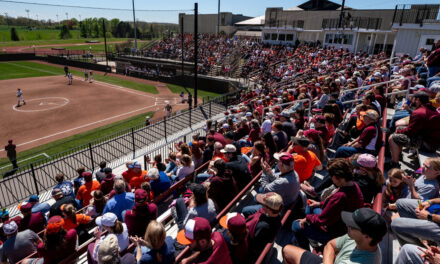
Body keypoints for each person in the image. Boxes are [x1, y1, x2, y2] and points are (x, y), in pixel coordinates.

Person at [292, 158, 364, 250]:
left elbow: (323, 220)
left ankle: (303, 252)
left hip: (336, 235)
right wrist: (320, 204)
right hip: (343, 225)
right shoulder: (353, 185)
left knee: (296, 225)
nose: (331, 179)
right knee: (310, 207)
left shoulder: (340, 197)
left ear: (337, 177)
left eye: (331, 176)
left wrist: (307, 218)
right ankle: (312, 238)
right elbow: (336, 208)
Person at [283, 208, 387, 264]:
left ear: (367, 236)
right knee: (287, 250)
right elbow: (330, 245)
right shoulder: (357, 238)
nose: (347, 225)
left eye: (352, 225)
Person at [388, 91, 440, 168]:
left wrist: (399, 131)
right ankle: (398, 155)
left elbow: (410, 131)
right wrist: (400, 130)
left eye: (413, 98)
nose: (412, 100)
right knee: (399, 128)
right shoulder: (432, 109)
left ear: (418, 100)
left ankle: (394, 164)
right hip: (431, 142)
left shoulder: (419, 112)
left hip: (428, 145)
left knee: (392, 138)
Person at [247, 192, 283, 260]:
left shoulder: (262, 226)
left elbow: (252, 242)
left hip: (256, 251)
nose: (261, 205)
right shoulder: (278, 215)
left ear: (268, 209)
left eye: (263, 204)